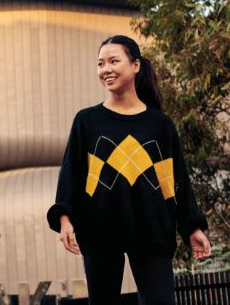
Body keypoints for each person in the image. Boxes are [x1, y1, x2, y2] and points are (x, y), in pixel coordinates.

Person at [47, 35, 212, 304]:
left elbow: (177, 180)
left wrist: (192, 226)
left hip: (152, 228)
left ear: (135, 65)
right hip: (99, 229)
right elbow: (72, 174)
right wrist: (64, 218)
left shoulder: (160, 124)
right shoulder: (87, 121)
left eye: (114, 61)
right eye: (100, 64)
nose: (106, 69)